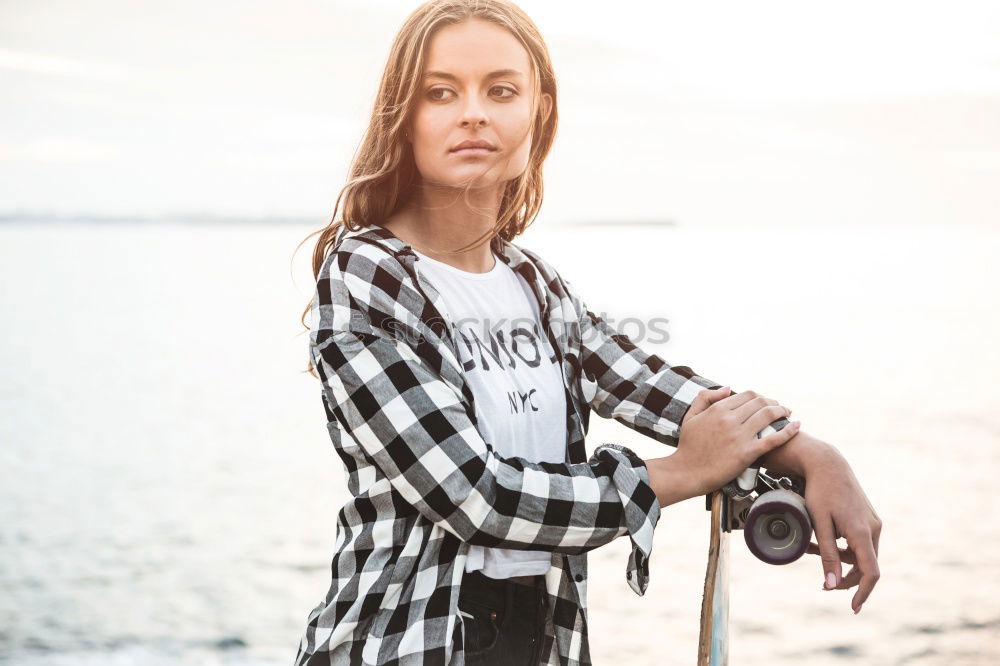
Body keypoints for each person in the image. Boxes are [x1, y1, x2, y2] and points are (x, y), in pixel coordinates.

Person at [292, 2, 882, 664]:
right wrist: (683, 472)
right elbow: (476, 495)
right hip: (402, 646)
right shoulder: (368, 275)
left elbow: (645, 384)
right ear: (405, 114)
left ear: (538, 112)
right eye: (441, 92)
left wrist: (806, 452)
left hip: (542, 642)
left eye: (502, 90)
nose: (473, 112)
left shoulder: (532, 284)